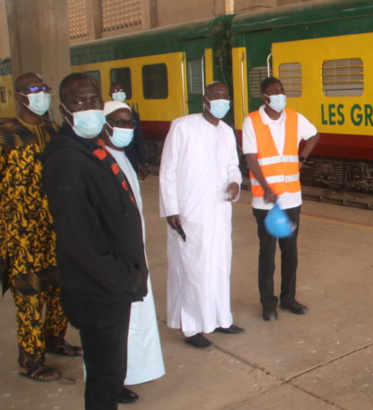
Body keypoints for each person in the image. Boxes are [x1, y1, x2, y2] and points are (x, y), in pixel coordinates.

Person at [42, 72, 147, 409]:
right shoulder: (67, 159)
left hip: (111, 286)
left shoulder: (91, 148)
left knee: (112, 371)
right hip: (99, 290)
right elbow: (79, 240)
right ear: (63, 110)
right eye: (78, 101)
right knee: (104, 377)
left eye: (93, 100)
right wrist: (124, 278)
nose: (88, 107)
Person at [1, 72, 81, 383]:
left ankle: (55, 340)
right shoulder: (6, 133)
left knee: (59, 289)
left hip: (55, 225)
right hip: (21, 231)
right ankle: (30, 360)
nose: (42, 95)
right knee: (31, 295)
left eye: (45, 89)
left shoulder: (53, 129)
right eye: (36, 90)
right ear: (20, 95)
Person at [159, 81, 244, 349]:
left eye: (225, 96)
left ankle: (220, 318)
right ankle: (191, 326)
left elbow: (233, 166)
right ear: (205, 99)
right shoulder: (183, 126)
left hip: (219, 211)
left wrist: (235, 183)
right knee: (191, 268)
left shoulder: (227, 132)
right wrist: (170, 208)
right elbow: (167, 169)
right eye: (216, 96)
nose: (221, 100)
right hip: (189, 212)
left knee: (219, 266)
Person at [99, 101, 165, 403]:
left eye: (130, 123)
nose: (125, 128)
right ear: (104, 123)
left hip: (133, 249)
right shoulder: (98, 159)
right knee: (115, 322)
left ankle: (133, 372)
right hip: (115, 255)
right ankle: (111, 383)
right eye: (119, 122)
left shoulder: (120, 156)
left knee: (135, 316)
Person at [242, 77, 319, 322]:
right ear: (264, 97)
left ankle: (288, 299)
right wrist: (265, 188)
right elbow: (251, 159)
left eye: (281, 90)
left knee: (290, 252)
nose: (279, 95)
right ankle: (268, 303)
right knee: (267, 253)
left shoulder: (295, 118)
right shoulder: (252, 121)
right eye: (274, 92)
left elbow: (315, 135)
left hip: (291, 198)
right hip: (264, 201)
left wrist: (303, 158)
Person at [109, 82, 149, 180]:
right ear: (110, 94)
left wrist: (143, 162)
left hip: (130, 157)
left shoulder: (133, 114)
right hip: (110, 157)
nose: (118, 93)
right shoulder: (105, 112)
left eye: (121, 90)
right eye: (115, 90)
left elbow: (139, 139)